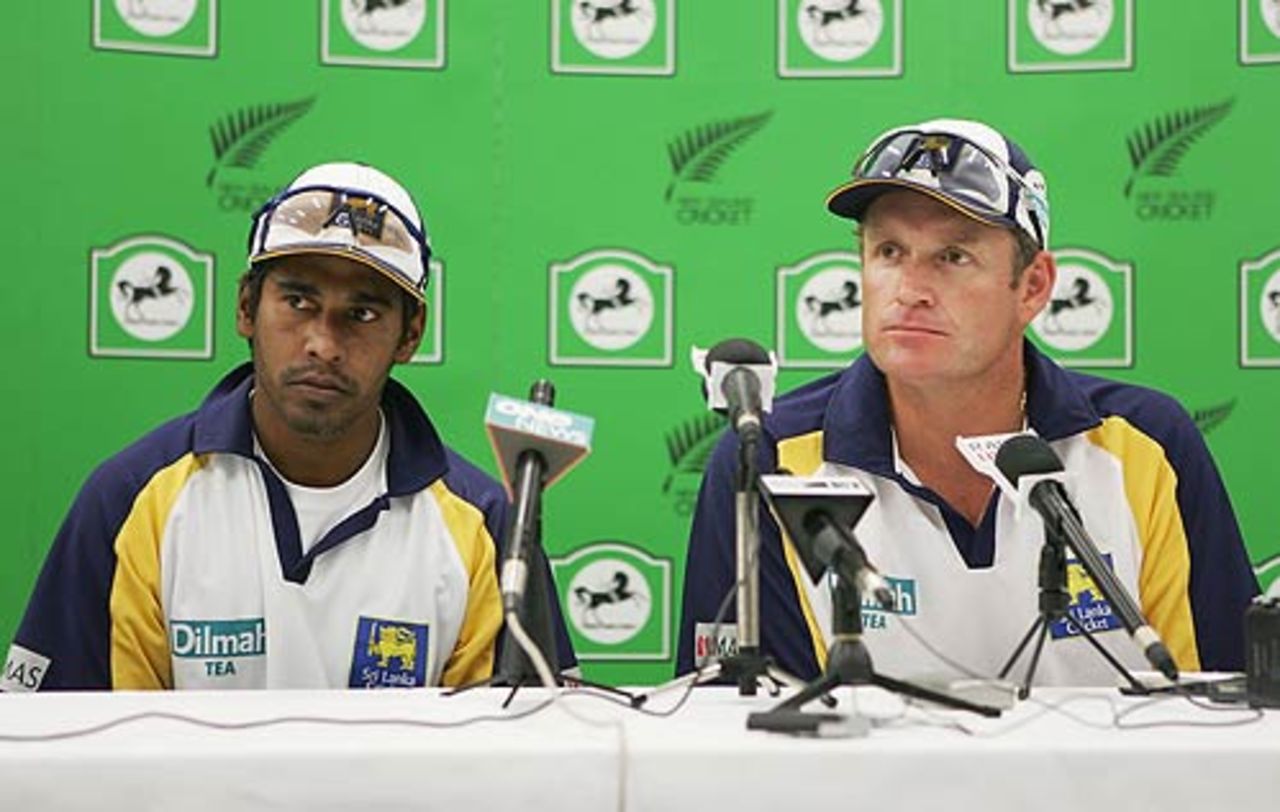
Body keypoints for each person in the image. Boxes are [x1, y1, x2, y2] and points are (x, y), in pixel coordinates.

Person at [676, 119, 1259, 686]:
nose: (909, 290)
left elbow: (1222, 709)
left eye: (953, 257)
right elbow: (738, 735)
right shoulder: (769, 459)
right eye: (888, 251)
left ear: (1032, 287)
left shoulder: (1148, 446)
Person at [3, 162, 574, 691]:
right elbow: (55, 752)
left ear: (410, 335)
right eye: (298, 300)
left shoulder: (487, 524)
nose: (323, 344)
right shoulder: (129, 499)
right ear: (247, 308)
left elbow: (524, 765)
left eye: (364, 314)